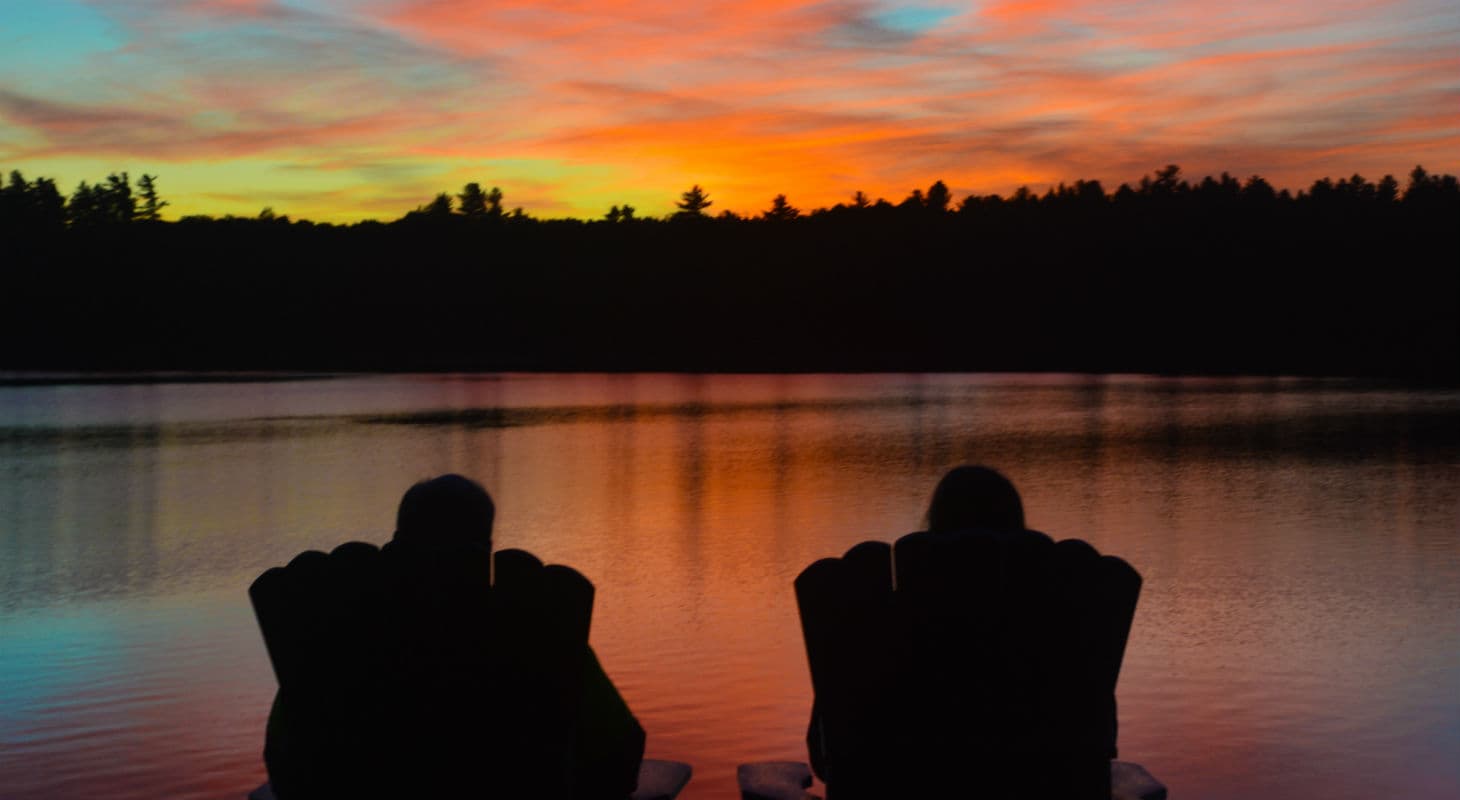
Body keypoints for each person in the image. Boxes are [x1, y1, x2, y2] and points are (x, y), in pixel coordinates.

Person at [263, 474, 644, 799]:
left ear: (397, 545)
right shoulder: (540, 631)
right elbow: (620, 753)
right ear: (486, 549)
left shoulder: (334, 637)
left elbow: (283, 763)